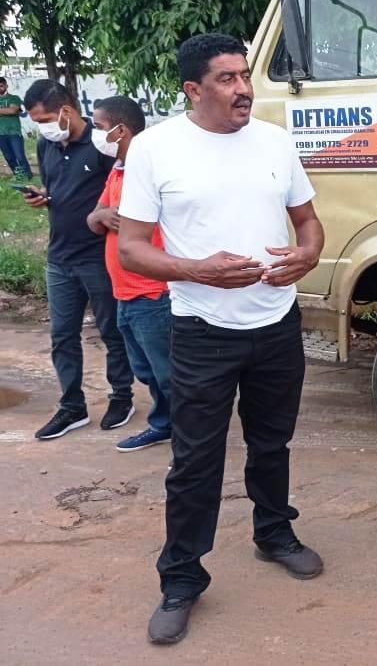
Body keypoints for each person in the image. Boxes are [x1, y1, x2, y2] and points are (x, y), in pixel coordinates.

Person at [117, 33, 326, 645]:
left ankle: (274, 534)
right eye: (228, 79)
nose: (244, 89)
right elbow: (132, 248)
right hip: (203, 328)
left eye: (245, 75)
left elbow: (308, 223)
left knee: (272, 443)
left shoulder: (275, 141)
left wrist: (307, 257)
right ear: (193, 89)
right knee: (195, 460)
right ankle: (181, 577)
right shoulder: (157, 149)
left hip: (276, 322)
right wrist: (196, 269)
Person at [24, 79, 135, 440]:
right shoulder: (47, 144)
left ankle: (123, 396)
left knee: (112, 332)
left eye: (43, 119)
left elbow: (118, 196)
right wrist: (45, 197)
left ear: (66, 111)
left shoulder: (103, 145)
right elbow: (58, 189)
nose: (39, 128)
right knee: (62, 336)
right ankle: (72, 407)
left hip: (97, 257)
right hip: (59, 257)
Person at [85, 96, 173, 453]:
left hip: (153, 292)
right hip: (124, 292)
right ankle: (166, 425)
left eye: (100, 127)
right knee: (148, 372)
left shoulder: (151, 169)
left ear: (120, 130)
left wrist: (106, 216)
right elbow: (94, 218)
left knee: (170, 375)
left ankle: (191, 444)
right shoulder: (119, 168)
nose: (96, 133)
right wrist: (103, 216)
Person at [0, 77, 32, 179]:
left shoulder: (14, 98)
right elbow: (9, 110)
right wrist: (6, 110)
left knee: (20, 156)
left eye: (1, 86)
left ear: (6, 86)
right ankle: (19, 176)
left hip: (14, 133)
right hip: (1, 134)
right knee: (9, 158)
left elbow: (12, 111)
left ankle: (28, 176)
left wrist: (9, 110)